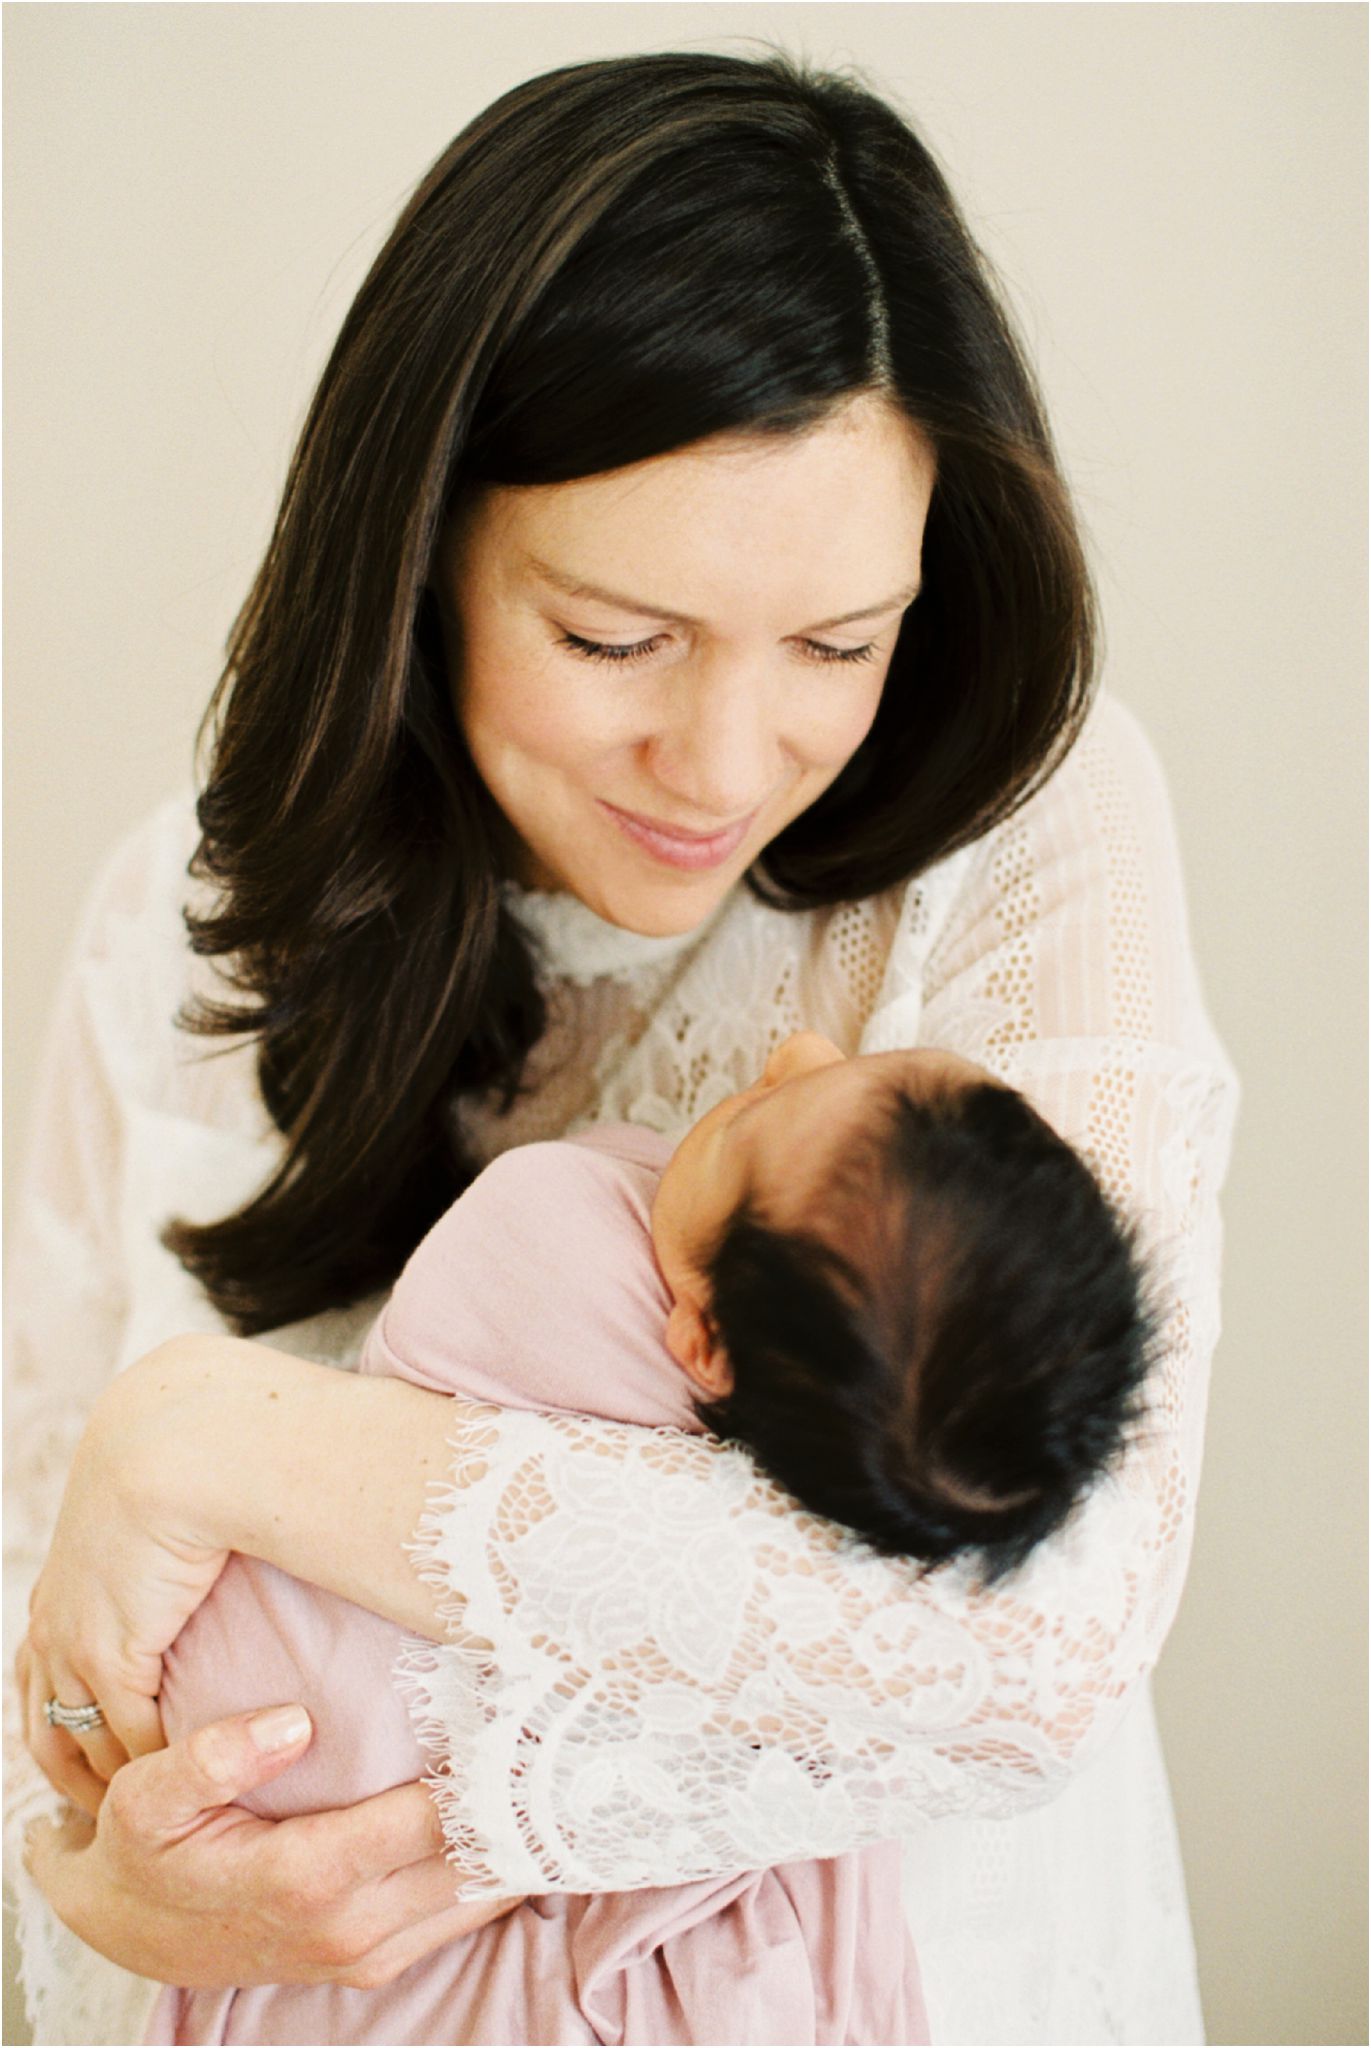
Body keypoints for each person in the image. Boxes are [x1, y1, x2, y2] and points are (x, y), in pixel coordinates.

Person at [7, 47, 1238, 2048]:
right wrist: (88, 1857)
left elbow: (1031, 1644)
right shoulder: (181, 916)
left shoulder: (1023, 832)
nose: (725, 759)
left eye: (840, 644)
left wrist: (216, 1437)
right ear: (422, 556)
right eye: (613, 640)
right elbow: (26, 1557)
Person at [147, 1031, 1148, 2043]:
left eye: (752, 1123)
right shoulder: (851, 1428)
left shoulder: (556, 1237)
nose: (796, 1047)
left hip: (295, 1753)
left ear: (704, 1343)